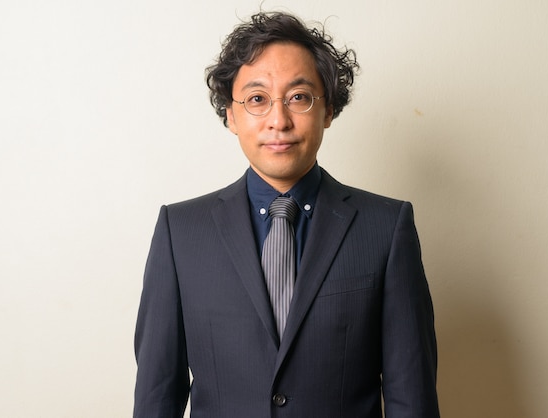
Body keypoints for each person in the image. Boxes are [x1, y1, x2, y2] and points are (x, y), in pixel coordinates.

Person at [133, 11, 440, 418]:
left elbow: (411, 399)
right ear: (231, 114)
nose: (279, 121)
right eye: (257, 99)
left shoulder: (386, 227)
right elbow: (157, 397)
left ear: (328, 109)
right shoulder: (181, 232)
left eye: (299, 97)